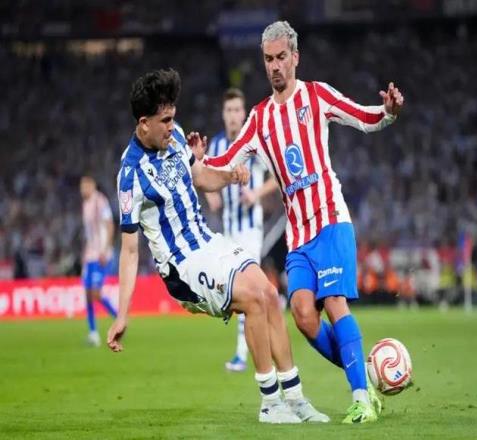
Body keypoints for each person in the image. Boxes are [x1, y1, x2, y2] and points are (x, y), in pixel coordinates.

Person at [195, 21, 404, 424]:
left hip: (331, 218)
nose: (274, 66)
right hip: (299, 235)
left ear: (295, 58)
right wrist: (197, 161)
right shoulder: (259, 119)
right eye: (268, 59)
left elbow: (363, 116)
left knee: (334, 303)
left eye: (281, 57)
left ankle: (362, 397)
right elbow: (223, 164)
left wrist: (388, 112)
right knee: (304, 316)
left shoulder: (316, 95)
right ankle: (365, 372)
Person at [106, 68, 329, 424]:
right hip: (182, 266)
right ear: (143, 123)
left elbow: (202, 178)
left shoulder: (176, 138)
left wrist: (230, 176)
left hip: (208, 242)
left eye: (173, 117)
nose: (172, 126)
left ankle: (296, 398)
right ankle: (270, 403)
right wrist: (122, 314)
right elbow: (130, 251)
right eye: (165, 121)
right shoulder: (130, 175)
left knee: (269, 294)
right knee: (253, 299)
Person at [205, 88, 279, 372]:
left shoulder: (255, 142)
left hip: (250, 229)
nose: (233, 116)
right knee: (240, 290)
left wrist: (256, 193)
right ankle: (265, 332)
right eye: (229, 110)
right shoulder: (216, 144)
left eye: (237, 110)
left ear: (244, 112)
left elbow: (277, 176)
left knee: (246, 289)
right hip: (228, 229)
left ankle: (242, 354)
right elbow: (204, 173)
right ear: (223, 114)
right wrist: (210, 194)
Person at [80, 175, 117, 346]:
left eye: (86, 186)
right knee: (88, 295)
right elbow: (89, 234)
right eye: (82, 186)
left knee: (95, 293)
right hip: (90, 255)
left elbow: (109, 225)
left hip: (101, 254)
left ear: (92, 186)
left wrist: (105, 249)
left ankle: (119, 318)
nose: (83, 189)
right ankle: (93, 333)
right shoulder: (85, 204)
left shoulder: (99, 201)